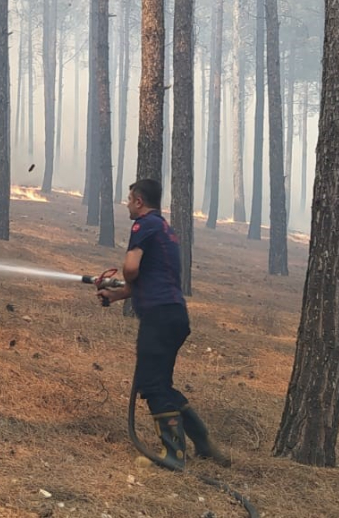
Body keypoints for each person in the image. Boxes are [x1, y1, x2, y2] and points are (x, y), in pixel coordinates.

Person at [96, 178, 227, 470]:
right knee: (162, 385)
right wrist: (114, 295)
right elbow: (142, 282)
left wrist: (124, 277)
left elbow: (131, 269)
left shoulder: (143, 226)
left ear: (139, 201)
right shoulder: (165, 230)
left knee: (153, 386)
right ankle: (202, 442)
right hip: (174, 316)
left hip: (158, 318)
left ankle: (174, 456)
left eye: (130, 199)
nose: (128, 205)